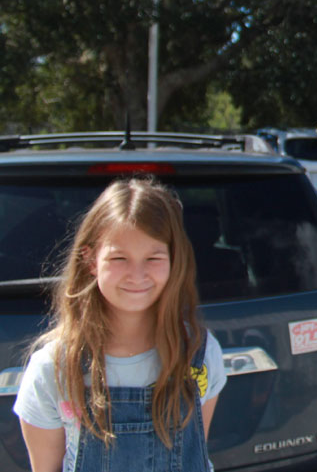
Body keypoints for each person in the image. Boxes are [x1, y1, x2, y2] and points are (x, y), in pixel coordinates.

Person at [14, 177, 227, 472]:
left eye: (153, 257)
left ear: (173, 260)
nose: (136, 275)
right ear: (90, 261)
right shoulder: (54, 367)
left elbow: (193, 456)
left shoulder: (198, 354)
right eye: (119, 258)